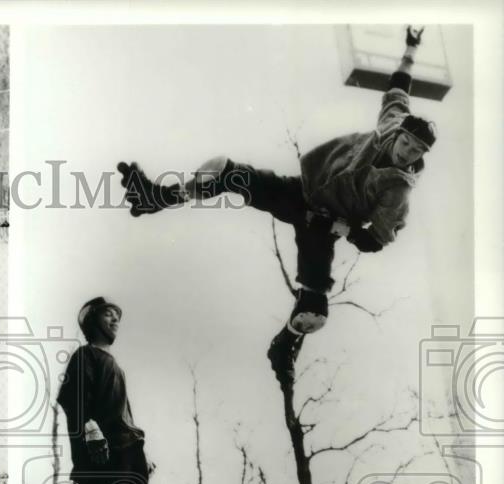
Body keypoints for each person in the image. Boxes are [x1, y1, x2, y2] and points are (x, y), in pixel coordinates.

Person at [117, 26, 435, 384]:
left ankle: (285, 344)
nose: (405, 154)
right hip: (300, 192)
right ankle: (157, 198)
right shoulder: (390, 126)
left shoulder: (398, 191)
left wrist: (344, 230)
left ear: (420, 157)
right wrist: (411, 47)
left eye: (414, 153)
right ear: (401, 135)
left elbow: (376, 240)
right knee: (223, 169)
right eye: (406, 144)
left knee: (313, 313)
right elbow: (398, 89)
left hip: (325, 224)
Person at [56, 297, 152, 484]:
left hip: (125, 446)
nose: (115, 320)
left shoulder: (115, 366)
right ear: (92, 320)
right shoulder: (86, 356)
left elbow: (125, 412)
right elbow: (72, 397)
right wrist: (90, 428)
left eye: (117, 316)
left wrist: (142, 452)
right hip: (102, 447)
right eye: (108, 315)